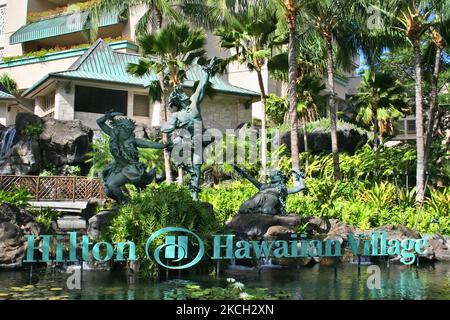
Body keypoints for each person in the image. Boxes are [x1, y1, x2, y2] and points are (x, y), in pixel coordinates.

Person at [161, 57, 218, 201]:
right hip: (187, 139)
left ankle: (194, 195)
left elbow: (201, 87)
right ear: (178, 100)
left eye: (183, 92)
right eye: (181, 94)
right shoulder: (177, 115)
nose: (184, 94)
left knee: (197, 166)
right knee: (174, 145)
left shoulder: (194, 102)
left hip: (200, 138)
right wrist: (175, 125)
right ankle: (183, 166)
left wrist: (207, 72)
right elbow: (165, 128)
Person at [97, 112, 171, 203]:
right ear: (120, 130)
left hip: (130, 168)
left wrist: (164, 146)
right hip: (118, 167)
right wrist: (107, 116)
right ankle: (123, 203)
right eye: (126, 131)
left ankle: (125, 203)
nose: (129, 133)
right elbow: (99, 122)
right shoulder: (113, 135)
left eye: (130, 131)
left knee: (112, 185)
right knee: (108, 190)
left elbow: (149, 144)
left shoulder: (133, 141)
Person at [233, 165, 306, 215]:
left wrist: (300, 176)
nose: (272, 177)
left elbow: (301, 187)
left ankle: (260, 211)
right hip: (259, 196)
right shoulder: (264, 186)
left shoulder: (282, 188)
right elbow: (252, 179)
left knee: (266, 210)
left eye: (275, 175)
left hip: (272, 197)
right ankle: (258, 210)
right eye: (272, 176)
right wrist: (241, 171)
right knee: (242, 209)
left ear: (280, 177)